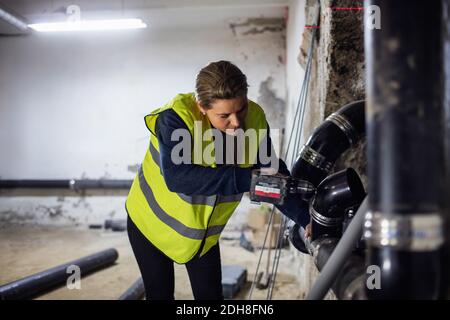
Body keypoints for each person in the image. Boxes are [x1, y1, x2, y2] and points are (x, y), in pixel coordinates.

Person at [125, 60, 310, 300]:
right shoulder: (175, 119)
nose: (237, 122)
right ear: (201, 106)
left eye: (241, 108)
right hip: (149, 225)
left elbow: (272, 175)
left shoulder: (254, 119)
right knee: (160, 295)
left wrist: (305, 218)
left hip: (201, 236)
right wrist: (247, 179)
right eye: (224, 115)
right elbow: (178, 177)